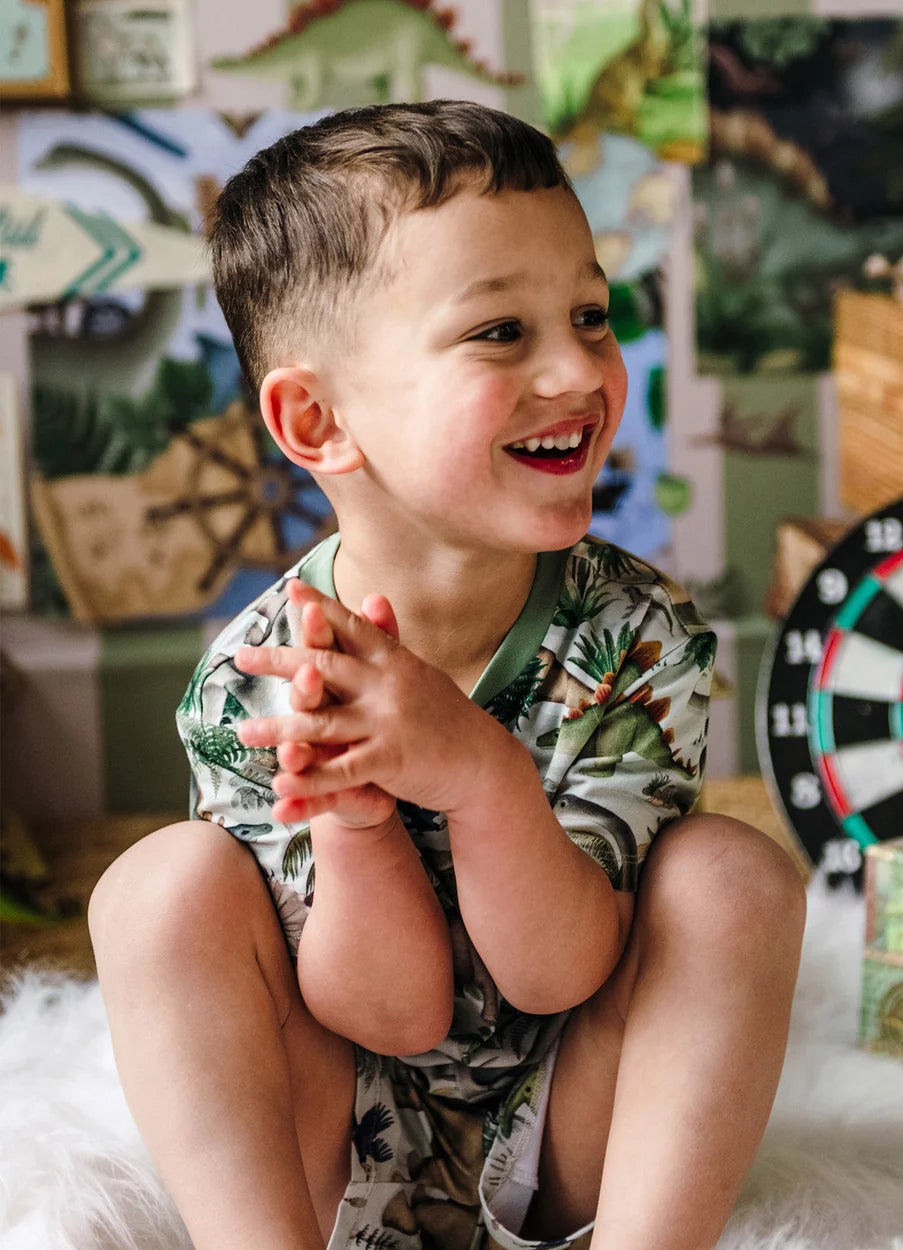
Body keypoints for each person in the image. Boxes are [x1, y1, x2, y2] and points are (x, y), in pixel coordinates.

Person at [89, 100, 806, 1250]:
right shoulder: (256, 682)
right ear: (318, 418)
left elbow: (557, 971)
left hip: (571, 1123)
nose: (578, 367)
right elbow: (388, 1009)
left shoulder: (635, 633)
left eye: (589, 313)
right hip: (331, 1133)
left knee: (732, 879)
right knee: (157, 891)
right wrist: (360, 827)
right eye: (499, 333)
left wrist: (478, 772)